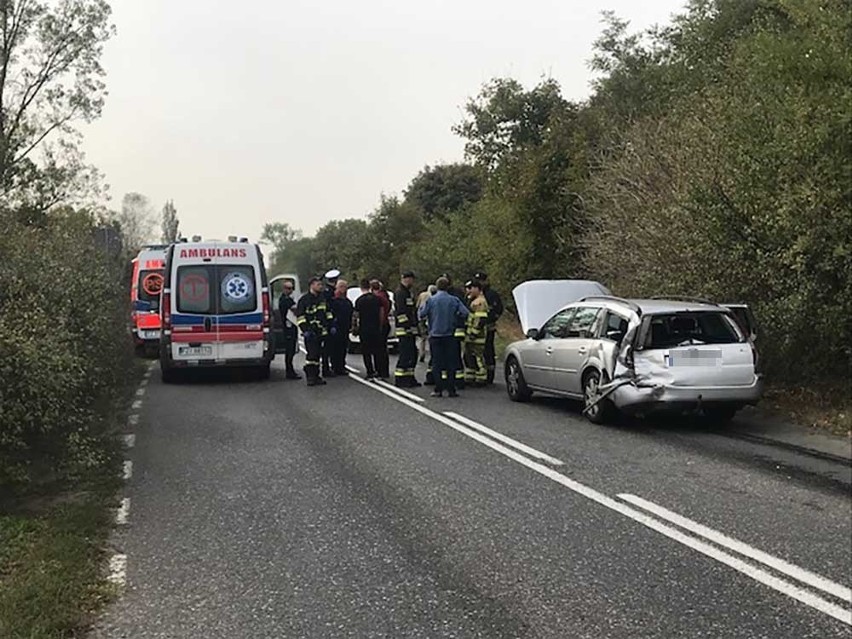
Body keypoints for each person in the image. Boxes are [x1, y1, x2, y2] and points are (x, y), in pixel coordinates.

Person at [419, 277, 469, 398]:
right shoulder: (454, 300)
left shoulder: (431, 300)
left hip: (435, 335)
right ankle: (451, 390)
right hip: (449, 335)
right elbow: (465, 313)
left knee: (437, 363)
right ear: (447, 287)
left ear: (437, 287)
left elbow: (422, 314)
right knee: (450, 362)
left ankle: (438, 389)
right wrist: (455, 317)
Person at [296, 277, 333, 386]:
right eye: (318, 284)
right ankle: (310, 377)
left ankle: (316, 376)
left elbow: (328, 312)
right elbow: (300, 316)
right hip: (311, 332)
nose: (320, 286)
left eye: (321, 285)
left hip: (322, 332)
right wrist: (305, 330)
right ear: (311, 285)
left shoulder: (322, 299)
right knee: (311, 356)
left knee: (318, 355)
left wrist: (331, 325)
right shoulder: (304, 300)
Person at [353, 279, 388, 379]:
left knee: (366, 352)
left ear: (361, 287)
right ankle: (379, 371)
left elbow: (356, 316)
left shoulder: (359, 300)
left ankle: (370, 371)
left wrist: (355, 328)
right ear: (370, 287)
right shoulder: (377, 299)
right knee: (377, 351)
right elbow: (381, 313)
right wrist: (380, 326)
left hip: (364, 329)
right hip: (375, 328)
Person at [474, 271, 504, 384]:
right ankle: (478, 374)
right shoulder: (474, 294)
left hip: (488, 327)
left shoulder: (492, 294)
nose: (480, 283)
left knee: (488, 350)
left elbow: (498, 309)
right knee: (475, 351)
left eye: (481, 280)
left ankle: (489, 375)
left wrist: (491, 319)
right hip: (475, 328)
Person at [393, 270, 421, 388]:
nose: (412, 282)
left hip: (410, 329)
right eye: (411, 279)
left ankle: (409, 377)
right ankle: (400, 378)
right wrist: (407, 327)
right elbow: (401, 312)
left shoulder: (408, 292)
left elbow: (412, 311)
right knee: (405, 354)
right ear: (405, 279)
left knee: (413, 354)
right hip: (404, 330)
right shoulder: (400, 293)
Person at [463, 280, 490, 386]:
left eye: (470, 288)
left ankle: (482, 377)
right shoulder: (473, 300)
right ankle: (471, 376)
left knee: (478, 357)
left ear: (477, 289)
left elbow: (481, 320)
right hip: (470, 334)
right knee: (468, 356)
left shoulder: (480, 302)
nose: (468, 291)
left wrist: (474, 332)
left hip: (477, 336)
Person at [277, 277, 301, 380]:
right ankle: (289, 371)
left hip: (291, 326)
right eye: (288, 288)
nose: (290, 290)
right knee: (289, 350)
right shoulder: (285, 300)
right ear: (284, 289)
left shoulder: (286, 299)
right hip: (288, 327)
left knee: (291, 350)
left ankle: (290, 370)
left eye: (291, 288)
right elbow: (296, 310)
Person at [329, 279, 353, 375]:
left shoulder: (347, 302)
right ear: (337, 288)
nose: (343, 289)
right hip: (336, 327)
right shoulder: (334, 301)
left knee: (343, 347)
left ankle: (341, 365)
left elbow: (350, 314)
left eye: (345, 287)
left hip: (345, 328)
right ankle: (335, 366)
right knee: (335, 348)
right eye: (341, 287)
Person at [321, 268, 341, 377]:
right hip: (329, 323)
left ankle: (328, 367)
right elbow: (329, 308)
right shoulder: (329, 293)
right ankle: (326, 369)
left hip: (330, 322)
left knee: (329, 347)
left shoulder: (328, 291)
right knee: (328, 348)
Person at [416, 284, 436, 363]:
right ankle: (432, 354)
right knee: (431, 337)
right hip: (430, 318)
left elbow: (417, 305)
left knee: (422, 338)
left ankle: (422, 354)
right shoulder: (434, 297)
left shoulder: (422, 295)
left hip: (421, 318)